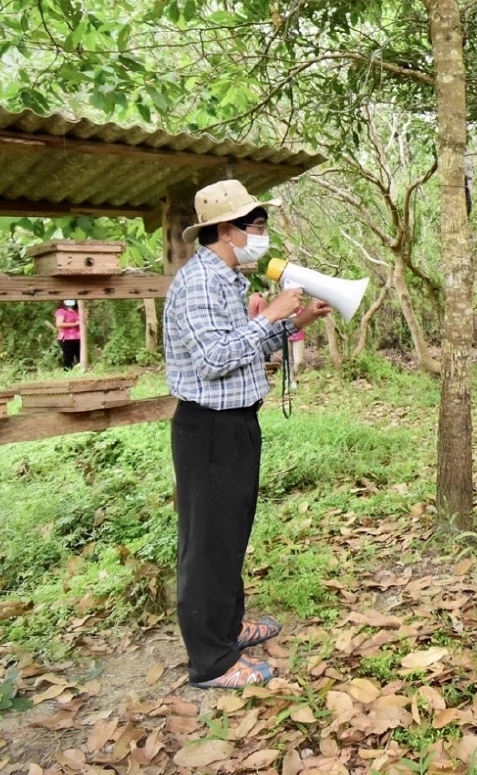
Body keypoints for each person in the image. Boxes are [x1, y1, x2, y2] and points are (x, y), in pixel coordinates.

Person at [164, 180, 332, 689]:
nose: (261, 236)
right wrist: (274, 316)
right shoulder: (198, 283)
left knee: (230, 535)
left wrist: (292, 320)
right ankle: (211, 663)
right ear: (224, 231)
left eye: (261, 225)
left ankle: (229, 626)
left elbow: (240, 350)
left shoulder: (230, 282)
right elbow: (213, 360)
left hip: (237, 422)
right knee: (208, 544)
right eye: (254, 227)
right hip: (207, 428)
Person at [247, 287, 307, 391]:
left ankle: (292, 379)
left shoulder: (251, 300)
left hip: (294, 335)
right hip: (278, 334)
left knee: (297, 361)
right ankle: (290, 380)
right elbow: (266, 317)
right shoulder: (264, 302)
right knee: (288, 360)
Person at [54, 300, 82, 369]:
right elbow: (59, 324)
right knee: (68, 358)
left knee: (81, 358)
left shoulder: (77, 310)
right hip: (66, 338)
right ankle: (67, 373)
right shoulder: (61, 311)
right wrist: (75, 324)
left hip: (79, 337)